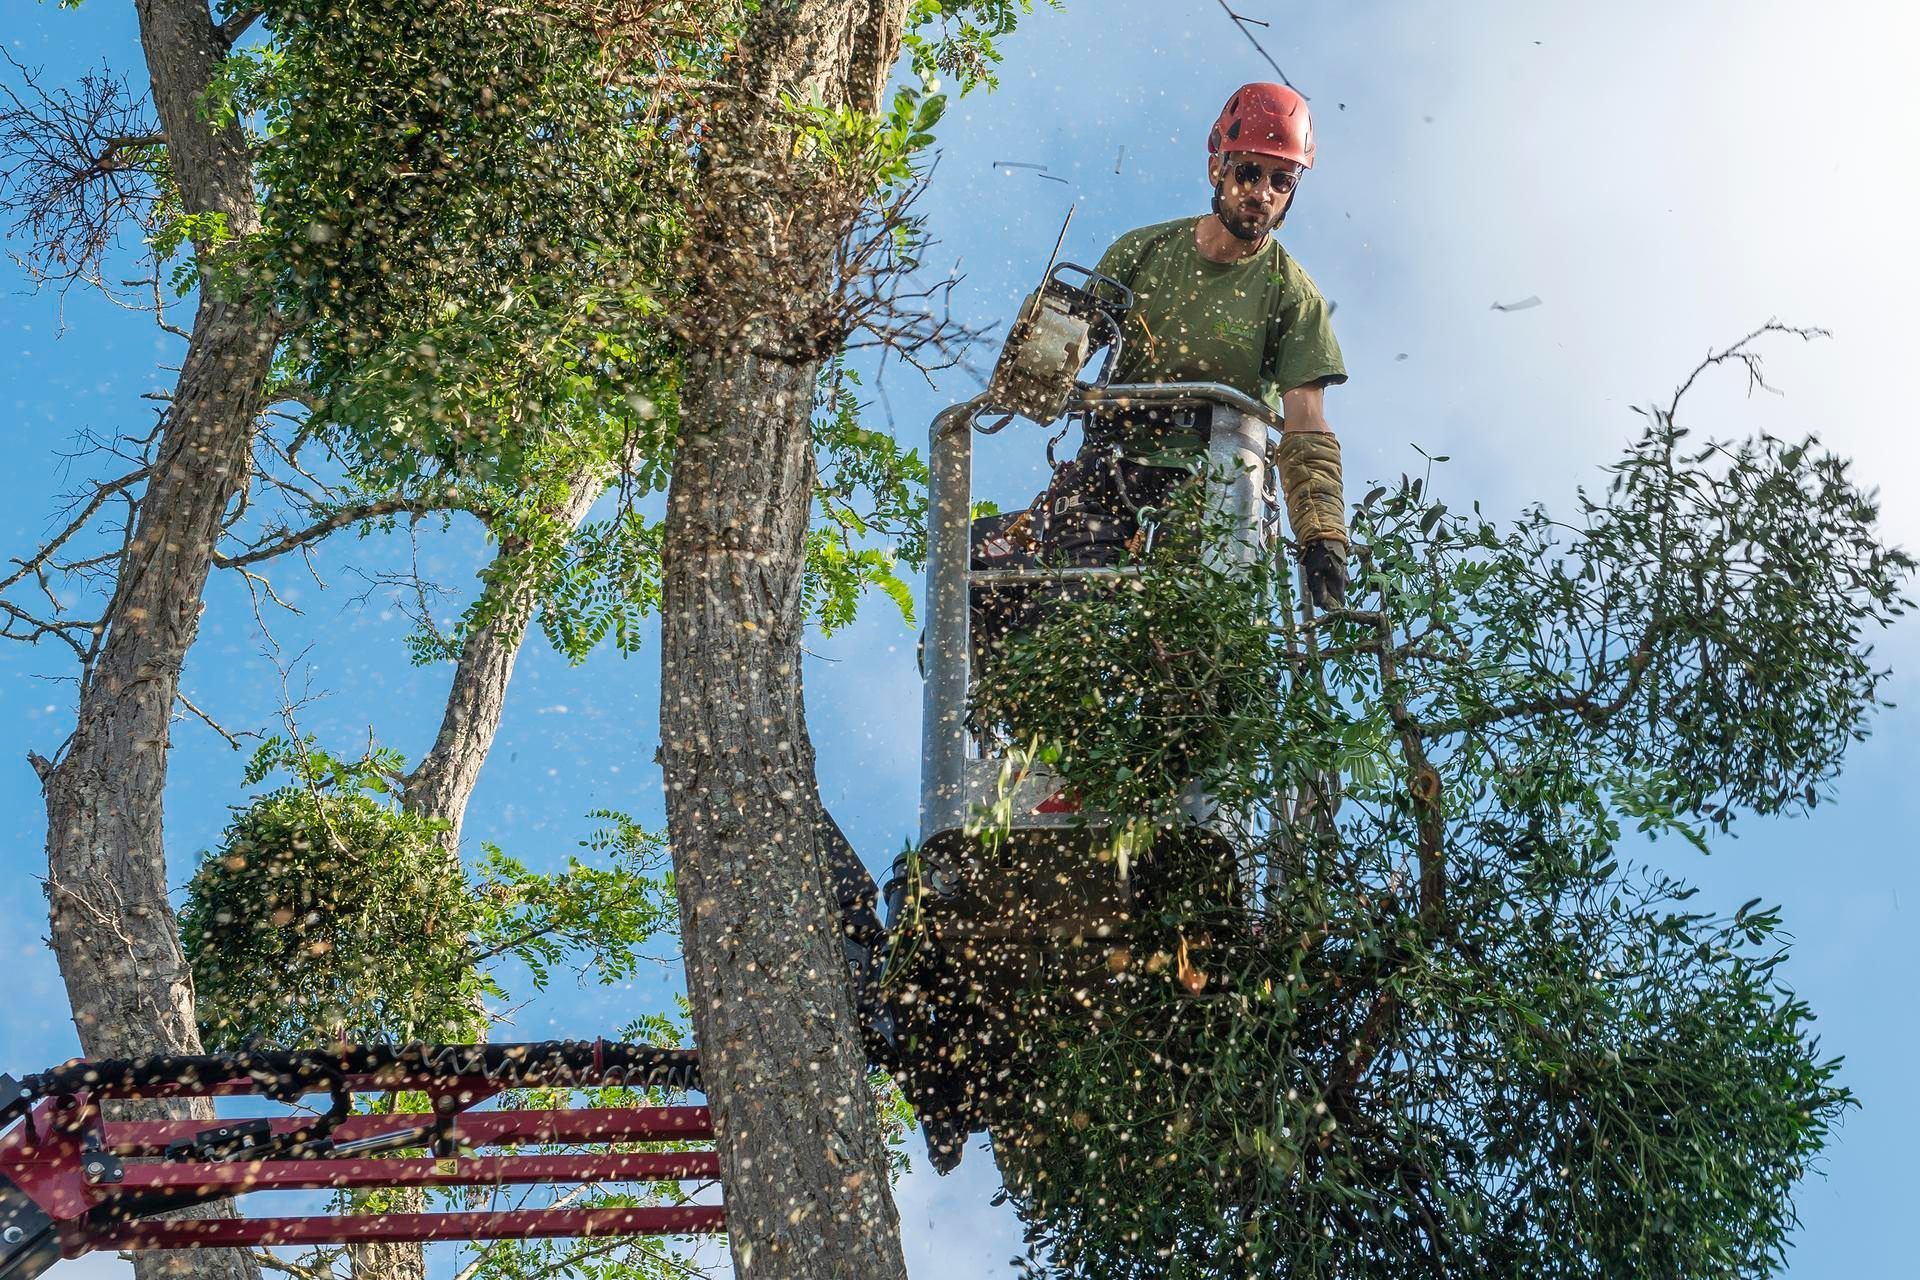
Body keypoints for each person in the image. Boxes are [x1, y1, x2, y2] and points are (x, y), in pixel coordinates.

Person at [1042, 82, 1351, 608]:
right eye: (1250, 172)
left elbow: (1306, 424)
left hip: (1216, 486)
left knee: (1199, 649)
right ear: (1218, 170)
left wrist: (1322, 535)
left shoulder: (1292, 296)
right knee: (1062, 609)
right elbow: (1055, 357)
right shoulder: (1143, 252)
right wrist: (1035, 360)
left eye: (1281, 179)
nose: (1263, 192)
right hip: (1113, 464)